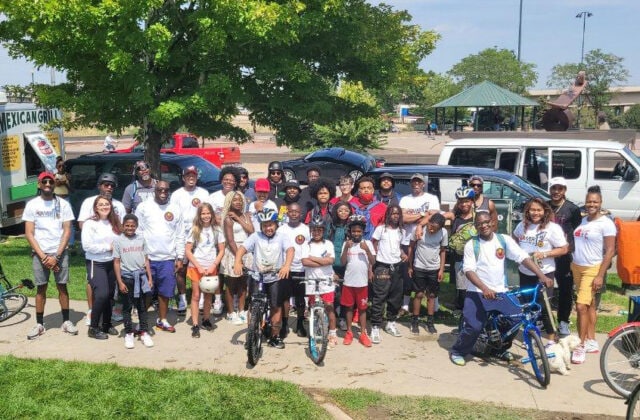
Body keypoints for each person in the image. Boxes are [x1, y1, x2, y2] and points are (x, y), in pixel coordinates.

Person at [449, 212, 551, 367]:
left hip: (500, 291)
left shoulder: (504, 240)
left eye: (486, 222)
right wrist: (484, 288)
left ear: (492, 222)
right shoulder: (472, 244)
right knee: (474, 326)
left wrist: (542, 276)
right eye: (479, 224)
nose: (483, 226)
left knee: (516, 319)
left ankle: (500, 348)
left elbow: (523, 257)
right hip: (477, 292)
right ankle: (458, 351)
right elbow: (469, 270)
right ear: (475, 227)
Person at [23, 172, 77, 340]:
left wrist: (57, 256)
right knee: (41, 288)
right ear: (39, 184)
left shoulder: (63, 204)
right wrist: (44, 257)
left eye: (50, 181)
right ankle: (39, 324)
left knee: (62, 286)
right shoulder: (32, 205)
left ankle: (66, 321)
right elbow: (29, 233)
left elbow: (67, 231)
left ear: (54, 184)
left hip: (60, 252)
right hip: (40, 253)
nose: (47, 184)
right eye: (44, 181)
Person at [234, 209, 294, 349]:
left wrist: (286, 265)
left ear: (276, 225)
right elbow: (242, 248)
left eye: (271, 225)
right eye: (265, 225)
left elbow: (290, 250)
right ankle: (252, 333)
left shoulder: (282, 237)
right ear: (261, 226)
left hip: (275, 277)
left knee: (275, 306)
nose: (268, 228)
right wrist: (237, 261)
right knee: (253, 305)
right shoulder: (256, 236)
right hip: (257, 276)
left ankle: (274, 336)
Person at [570, 185, 616, 364]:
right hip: (577, 267)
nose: (591, 204)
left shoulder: (606, 223)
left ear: (601, 203)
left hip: (592, 269)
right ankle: (591, 340)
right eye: (589, 201)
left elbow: (610, 251)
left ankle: (580, 346)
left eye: (595, 201)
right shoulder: (584, 220)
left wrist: (600, 275)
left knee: (581, 306)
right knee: (589, 305)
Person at [513, 198, 569, 345]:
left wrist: (544, 254)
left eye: (539, 210)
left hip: (545, 273)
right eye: (532, 210)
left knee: (544, 306)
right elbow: (514, 240)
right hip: (525, 272)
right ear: (527, 211)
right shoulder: (522, 226)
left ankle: (551, 338)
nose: (535, 213)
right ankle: (529, 335)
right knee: (527, 305)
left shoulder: (552, 228)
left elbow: (564, 248)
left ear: (545, 211)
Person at [135, 180, 185, 333]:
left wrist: (180, 257)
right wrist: (140, 255)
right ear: (154, 191)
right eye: (160, 190)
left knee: (165, 292)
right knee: (147, 292)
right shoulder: (144, 207)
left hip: (168, 259)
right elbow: (139, 231)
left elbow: (180, 234)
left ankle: (162, 320)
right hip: (148, 258)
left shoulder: (175, 209)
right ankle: (142, 322)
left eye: (166, 190)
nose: (163, 193)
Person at [78, 172, 127, 326]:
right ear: (99, 186)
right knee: (96, 286)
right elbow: (81, 223)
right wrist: (93, 232)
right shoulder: (89, 202)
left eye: (112, 185)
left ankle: (107, 319)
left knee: (111, 290)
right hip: (96, 257)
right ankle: (92, 312)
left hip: (113, 258)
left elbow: (122, 227)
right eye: (106, 184)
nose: (109, 187)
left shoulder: (118, 205)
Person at [170, 165, 210, 316]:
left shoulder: (203, 193)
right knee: (181, 268)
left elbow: (208, 213)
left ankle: (199, 297)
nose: (191, 178)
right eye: (188, 175)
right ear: (183, 177)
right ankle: (181, 298)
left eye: (193, 175)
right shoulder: (176, 195)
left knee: (200, 266)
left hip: (200, 233)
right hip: (182, 234)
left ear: (196, 177)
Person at [81, 196, 122, 339]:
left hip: (112, 263)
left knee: (110, 295)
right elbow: (87, 246)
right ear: (96, 208)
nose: (104, 206)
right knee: (102, 294)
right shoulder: (90, 224)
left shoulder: (115, 222)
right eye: (101, 205)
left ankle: (106, 323)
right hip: (96, 263)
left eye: (107, 204)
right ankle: (93, 327)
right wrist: (108, 247)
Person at [401, 173, 441, 314]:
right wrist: (423, 215)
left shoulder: (432, 198)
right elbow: (403, 218)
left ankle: (434, 303)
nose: (416, 184)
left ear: (423, 184)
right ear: (411, 184)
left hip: (428, 240)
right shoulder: (405, 199)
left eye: (419, 182)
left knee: (431, 273)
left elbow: (435, 216)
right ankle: (405, 305)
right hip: (407, 240)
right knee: (408, 273)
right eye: (414, 182)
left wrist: (419, 224)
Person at [113, 214, 155, 349]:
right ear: (123, 226)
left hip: (141, 277)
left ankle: (143, 331)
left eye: (132, 226)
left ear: (136, 226)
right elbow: (116, 262)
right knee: (127, 307)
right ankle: (129, 332)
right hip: (126, 278)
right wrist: (120, 282)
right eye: (127, 225)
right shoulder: (118, 241)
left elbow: (146, 259)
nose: (130, 228)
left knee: (142, 306)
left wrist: (149, 278)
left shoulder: (141, 239)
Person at [547, 177, 582, 337]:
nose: (556, 192)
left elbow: (577, 232)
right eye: (554, 188)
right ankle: (544, 321)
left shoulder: (572, 209)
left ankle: (563, 321)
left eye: (559, 188)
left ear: (564, 191)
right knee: (543, 290)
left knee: (565, 290)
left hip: (564, 255)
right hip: (546, 254)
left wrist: (573, 251)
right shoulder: (544, 206)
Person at [185, 202, 225, 338]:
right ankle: (195, 324)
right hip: (197, 267)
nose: (206, 216)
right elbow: (188, 251)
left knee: (208, 295)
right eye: (203, 213)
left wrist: (214, 265)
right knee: (196, 296)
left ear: (212, 214)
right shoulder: (195, 229)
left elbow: (221, 250)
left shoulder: (217, 230)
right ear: (199, 215)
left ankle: (206, 319)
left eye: (208, 213)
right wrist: (199, 266)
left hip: (211, 267)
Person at [370, 205, 407, 343]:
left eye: (398, 214)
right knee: (379, 296)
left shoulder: (401, 231)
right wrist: (373, 261)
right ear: (388, 215)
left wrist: (403, 254)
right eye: (392, 213)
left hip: (396, 267)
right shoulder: (381, 229)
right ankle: (375, 326)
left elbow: (401, 248)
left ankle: (391, 322)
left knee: (395, 296)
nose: (395, 216)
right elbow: (373, 243)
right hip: (382, 267)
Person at [407, 213, 447, 335]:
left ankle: (430, 321)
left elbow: (443, 251)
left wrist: (441, 269)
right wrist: (410, 266)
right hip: (419, 267)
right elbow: (411, 247)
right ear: (428, 223)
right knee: (418, 294)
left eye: (435, 228)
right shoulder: (418, 230)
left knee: (431, 296)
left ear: (440, 228)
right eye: (430, 226)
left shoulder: (444, 233)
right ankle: (415, 320)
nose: (431, 229)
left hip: (434, 268)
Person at [301, 215, 338, 348]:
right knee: (312, 306)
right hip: (311, 280)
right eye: (314, 230)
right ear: (311, 230)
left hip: (326, 280)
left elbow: (331, 261)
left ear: (323, 230)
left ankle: (333, 333)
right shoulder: (306, 244)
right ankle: (315, 328)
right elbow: (304, 261)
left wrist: (312, 258)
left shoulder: (328, 244)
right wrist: (322, 261)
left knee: (329, 306)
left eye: (319, 230)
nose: (316, 232)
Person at [340, 215, 376, 347]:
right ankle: (349, 332)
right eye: (354, 231)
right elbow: (343, 262)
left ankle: (362, 333)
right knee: (349, 308)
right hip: (349, 282)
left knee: (362, 309)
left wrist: (366, 250)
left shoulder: (368, 244)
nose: (356, 233)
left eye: (359, 231)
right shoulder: (347, 244)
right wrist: (345, 249)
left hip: (362, 283)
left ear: (363, 232)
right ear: (350, 232)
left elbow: (373, 262)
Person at [277, 202, 310, 338]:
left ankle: (300, 323)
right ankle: (284, 324)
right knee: (285, 298)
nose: (294, 214)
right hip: (286, 268)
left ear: (301, 213)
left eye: (297, 212)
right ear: (287, 213)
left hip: (301, 268)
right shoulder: (281, 229)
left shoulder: (306, 229)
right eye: (291, 211)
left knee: (300, 298)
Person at [220, 191, 254, 325]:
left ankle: (241, 310)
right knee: (231, 283)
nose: (238, 203)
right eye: (235, 200)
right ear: (229, 202)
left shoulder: (246, 216)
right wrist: (238, 257)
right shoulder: (228, 218)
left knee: (243, 283)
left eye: (240, 200)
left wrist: (239, 218)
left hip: (247, 250)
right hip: (234, 251)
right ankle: (230, 312)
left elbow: (251, 231)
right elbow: (230, 240)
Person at [447, 187, 476, 312]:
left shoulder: (478, 218)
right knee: (462, 286)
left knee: (475, 285)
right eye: (461, 201)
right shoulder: (455, 218)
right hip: (459, 258)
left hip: (476, 257)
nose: (464, 204)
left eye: (467, 201)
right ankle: (462, 309)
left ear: (472, 202)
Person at [329, 202, 353, 331]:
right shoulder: (331, 226)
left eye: (346, 210)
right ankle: (331, 316)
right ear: (336, 212)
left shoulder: (352, 227)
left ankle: (343, 318)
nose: (343, 213)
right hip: (332, 265)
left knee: (345, 294)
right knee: (333, 293)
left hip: (347, 265)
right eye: (340, 210)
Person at [349, 176, 387, 240]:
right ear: (359, 191)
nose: (366, 190)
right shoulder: (350, 205)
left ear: (373, 190)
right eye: (363, 188)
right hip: (353, 243)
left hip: (374, 244)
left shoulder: (382, 207)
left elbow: (384, 228)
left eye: (369, 188)